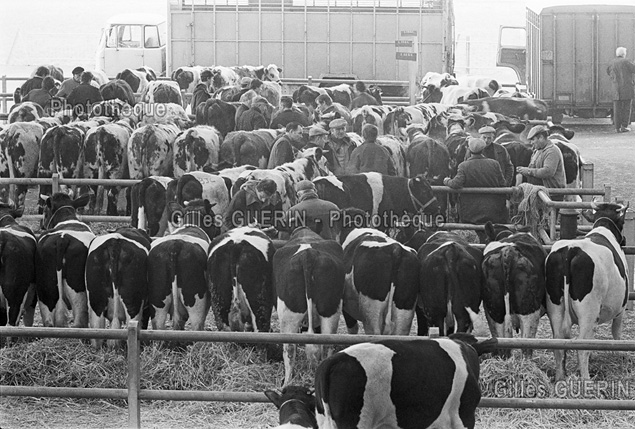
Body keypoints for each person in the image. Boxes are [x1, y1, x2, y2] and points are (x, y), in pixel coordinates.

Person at [443, 137, 508, 235]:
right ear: (483, 149)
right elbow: (503, 184)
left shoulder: (463, 166)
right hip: (493, 210)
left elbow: (456, 184)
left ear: (469, 150)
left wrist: (447, 181)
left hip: (470, 213)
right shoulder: (494, 164)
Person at [517, 125, 566, 200]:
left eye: (533, 139)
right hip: (540, 192)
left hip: (551, 194)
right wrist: (523, 171)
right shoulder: (537, 151)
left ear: (541, 138)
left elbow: (548, 172)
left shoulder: (552, 151)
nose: (531, 143)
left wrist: (528, 171)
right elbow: (533, 168)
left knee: (550, 211)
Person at [607, 46, 635, 133]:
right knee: (626, 108)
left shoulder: (612, 62)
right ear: (623, 54)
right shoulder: (626, 61)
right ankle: (624, 126)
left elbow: (608, 72)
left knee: (617, 109)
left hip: (615, 89)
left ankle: (617, 127)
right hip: (626, 88)